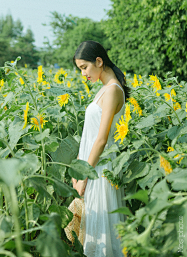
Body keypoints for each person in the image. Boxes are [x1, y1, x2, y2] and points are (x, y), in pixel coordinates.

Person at [72, 40, 130, 257]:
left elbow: (101, 139)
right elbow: (89, 135)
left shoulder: (113, 90)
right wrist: (78, 171)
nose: (83, 74)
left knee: (101, 232)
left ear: (99, 61)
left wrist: (84, 176)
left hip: (101, 169)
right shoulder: (104, 90)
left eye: (84, 67)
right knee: (92, 229)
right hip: (91, 166)